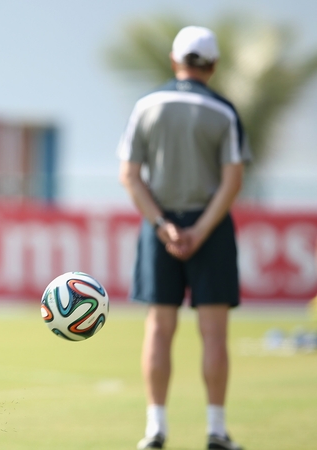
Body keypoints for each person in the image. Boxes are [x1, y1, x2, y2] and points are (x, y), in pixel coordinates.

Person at [117, 26, 251, 450]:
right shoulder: (224, 111)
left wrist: (162, 225)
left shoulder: (147, 105)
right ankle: (216, 430)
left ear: (174, 60)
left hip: (161, 227)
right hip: (209, 229)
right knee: (213, 333)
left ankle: (155, 429)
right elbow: (232, 182)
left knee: (159, 328)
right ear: (212, 65)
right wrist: (201, 230)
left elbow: (130, 175)